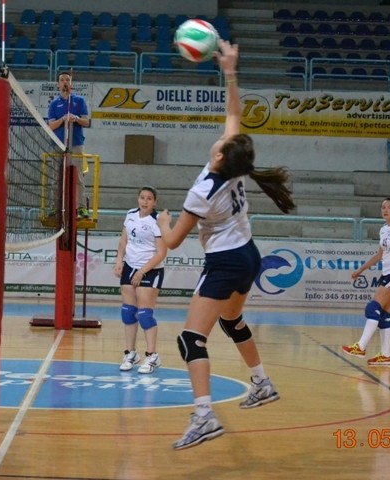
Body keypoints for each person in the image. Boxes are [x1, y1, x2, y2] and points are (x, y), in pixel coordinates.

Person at [158, 39, 295, 450]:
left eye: (220, 142)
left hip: (225, 261)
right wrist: (230, 72)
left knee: (190, 340)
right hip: (249, 254)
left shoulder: (203, 190)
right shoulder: (233, 167)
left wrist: (163, 224)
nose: (220, 138)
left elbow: (174, 242)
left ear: (219, 157)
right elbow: (234, 114)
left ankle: (204, 417)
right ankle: (261, 382)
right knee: (231, 322)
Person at [342, 198, 390, 365]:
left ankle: (360, 346)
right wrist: (361, 269)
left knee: (373, 307)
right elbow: (379, 255)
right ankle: (385, 355)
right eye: (383, 207)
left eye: (389, 207)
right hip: (387, 273)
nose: (385, 210)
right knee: (384, 314)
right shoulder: (383, 230)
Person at [114, 186, 167, 374]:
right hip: (130, 266)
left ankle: (152, 356)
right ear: (138, 199)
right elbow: (123, 241)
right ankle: (130, 353)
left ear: (155, 202)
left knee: (145, 314)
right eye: (142, 197)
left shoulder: (157, 221)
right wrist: (119, 261)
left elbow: (161, 252)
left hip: (151, 269)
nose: (145, 201)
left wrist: (142, 271)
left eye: (149, 198)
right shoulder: (130, 215)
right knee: (128, 312)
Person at [47, 71, 91, 218]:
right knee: (56, 177)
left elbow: (86, 122)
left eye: (67, 79)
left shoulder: (79, 101)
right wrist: (62, 119)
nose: (65, 82)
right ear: (58, 84)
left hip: (76, 144)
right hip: (57, 145)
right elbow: (51, 125)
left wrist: (75, 118)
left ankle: (81, 208)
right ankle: (54, 207)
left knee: (78, 177)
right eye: (62, 80)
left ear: (71, 83)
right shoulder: (54, 104)